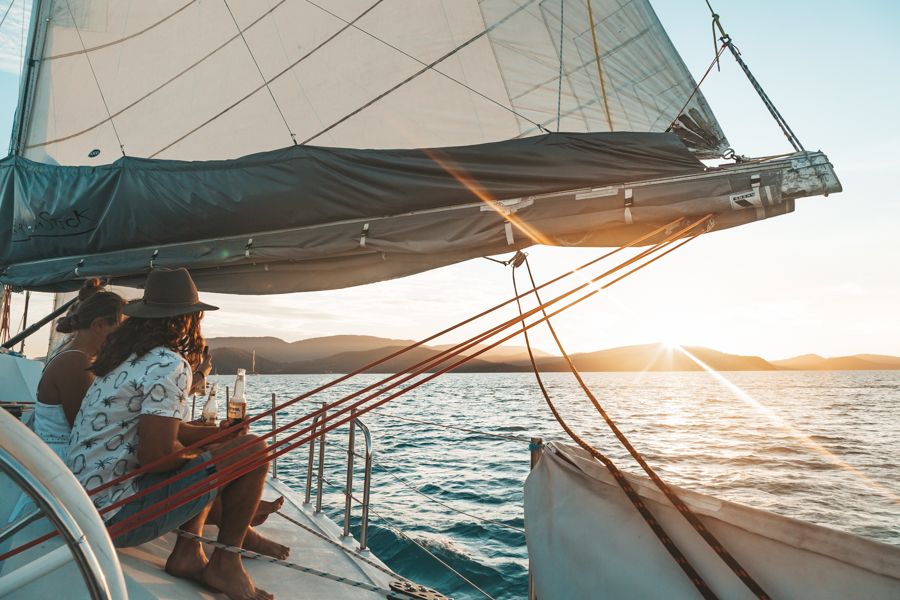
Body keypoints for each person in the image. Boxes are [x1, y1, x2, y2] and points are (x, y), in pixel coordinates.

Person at [66, 268, 284, 600]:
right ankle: (225, 564)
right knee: (253, 450)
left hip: (82, 508)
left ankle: (189, 552)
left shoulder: (122, 361)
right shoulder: (169, 364)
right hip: (115, 517)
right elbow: (155, 457)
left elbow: (158, 428)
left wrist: (214, 439)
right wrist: (215, 454)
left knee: (215, 449)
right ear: (188, 319)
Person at [36, 279, 125, 459]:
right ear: (99, 325)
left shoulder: (71, 349)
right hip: (60, 462)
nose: (122, 336)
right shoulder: (76, 362)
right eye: (120, 328)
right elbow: (85, 429)